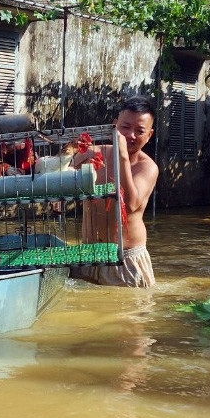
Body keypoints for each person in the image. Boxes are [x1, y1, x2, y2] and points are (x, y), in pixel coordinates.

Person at [70, 94, 159, 288]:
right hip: (89, 255)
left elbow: (129, 204)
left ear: (149, 135)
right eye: (125, 127)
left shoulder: (148, 168)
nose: (131, 135)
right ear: (115, 126)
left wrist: (122, 157)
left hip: (125, 260)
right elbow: (59, 175)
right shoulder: (93, 154)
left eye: (139, 131)